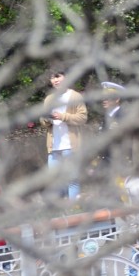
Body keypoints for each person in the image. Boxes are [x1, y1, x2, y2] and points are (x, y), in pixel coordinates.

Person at [42, 69, 86, 198]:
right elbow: (43, 122)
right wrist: (47, 118)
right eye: (52, 78)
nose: (55, 80)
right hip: (54, 146)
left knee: (72, 179)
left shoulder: (75, 96)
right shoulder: (49, 99)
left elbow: (82, 118)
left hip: (70, 146)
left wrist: (62, 116)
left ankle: (74, 209)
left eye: (58, 76)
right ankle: (59, 210)